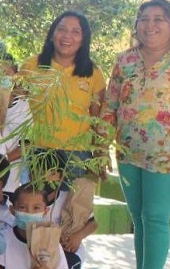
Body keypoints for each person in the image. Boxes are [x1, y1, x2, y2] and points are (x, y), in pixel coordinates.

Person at [104, 0, 170, 269]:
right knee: (138, 219)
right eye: (144, 19)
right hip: (129, 152)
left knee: (155, 219)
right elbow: (110, 104)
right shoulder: (125, 61)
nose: (150, 25)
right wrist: (100, 146)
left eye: (158, 19)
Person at [20, 11, 106, 177]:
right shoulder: (31, 65)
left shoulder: (93, 73)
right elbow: (15, 110)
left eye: (76, 32)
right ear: (52, 34)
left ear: (83, 39)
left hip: (77, 156)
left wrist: (100, 156)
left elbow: (99, 121)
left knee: (72, 203)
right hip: (37, 151)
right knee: (34, 202)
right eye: (62, 29)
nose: (67, 36)